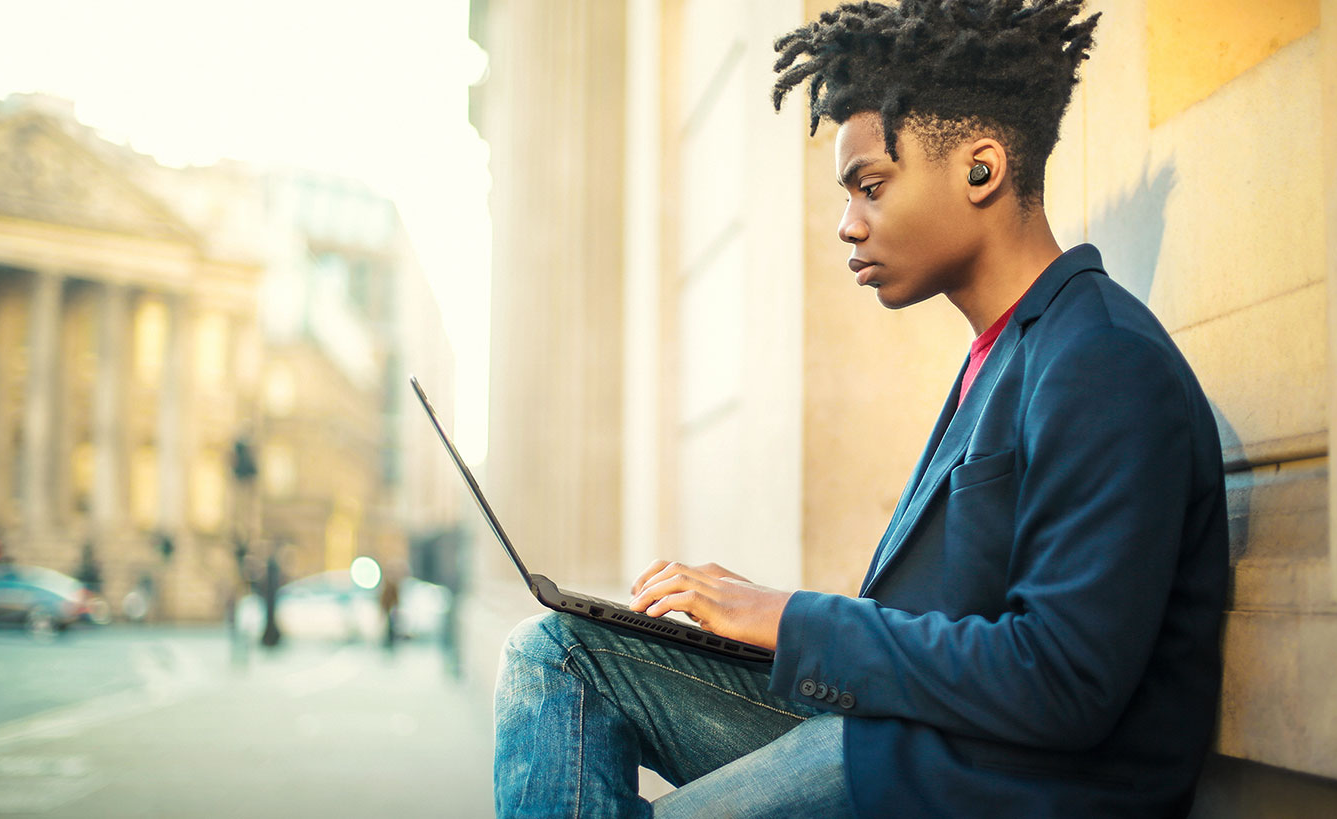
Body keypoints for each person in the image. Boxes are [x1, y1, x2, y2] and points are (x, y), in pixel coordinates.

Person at [493, 1, 1228, 816]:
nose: (848, 225)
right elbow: (947, 624)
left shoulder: (1103, 358)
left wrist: (793, 617)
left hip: (1004, 787)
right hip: (911, 740)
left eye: (870, 188)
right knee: (557, 652)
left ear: (981, 170)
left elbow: (1063, 679)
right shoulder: (1003, 354)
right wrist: (767, 613)